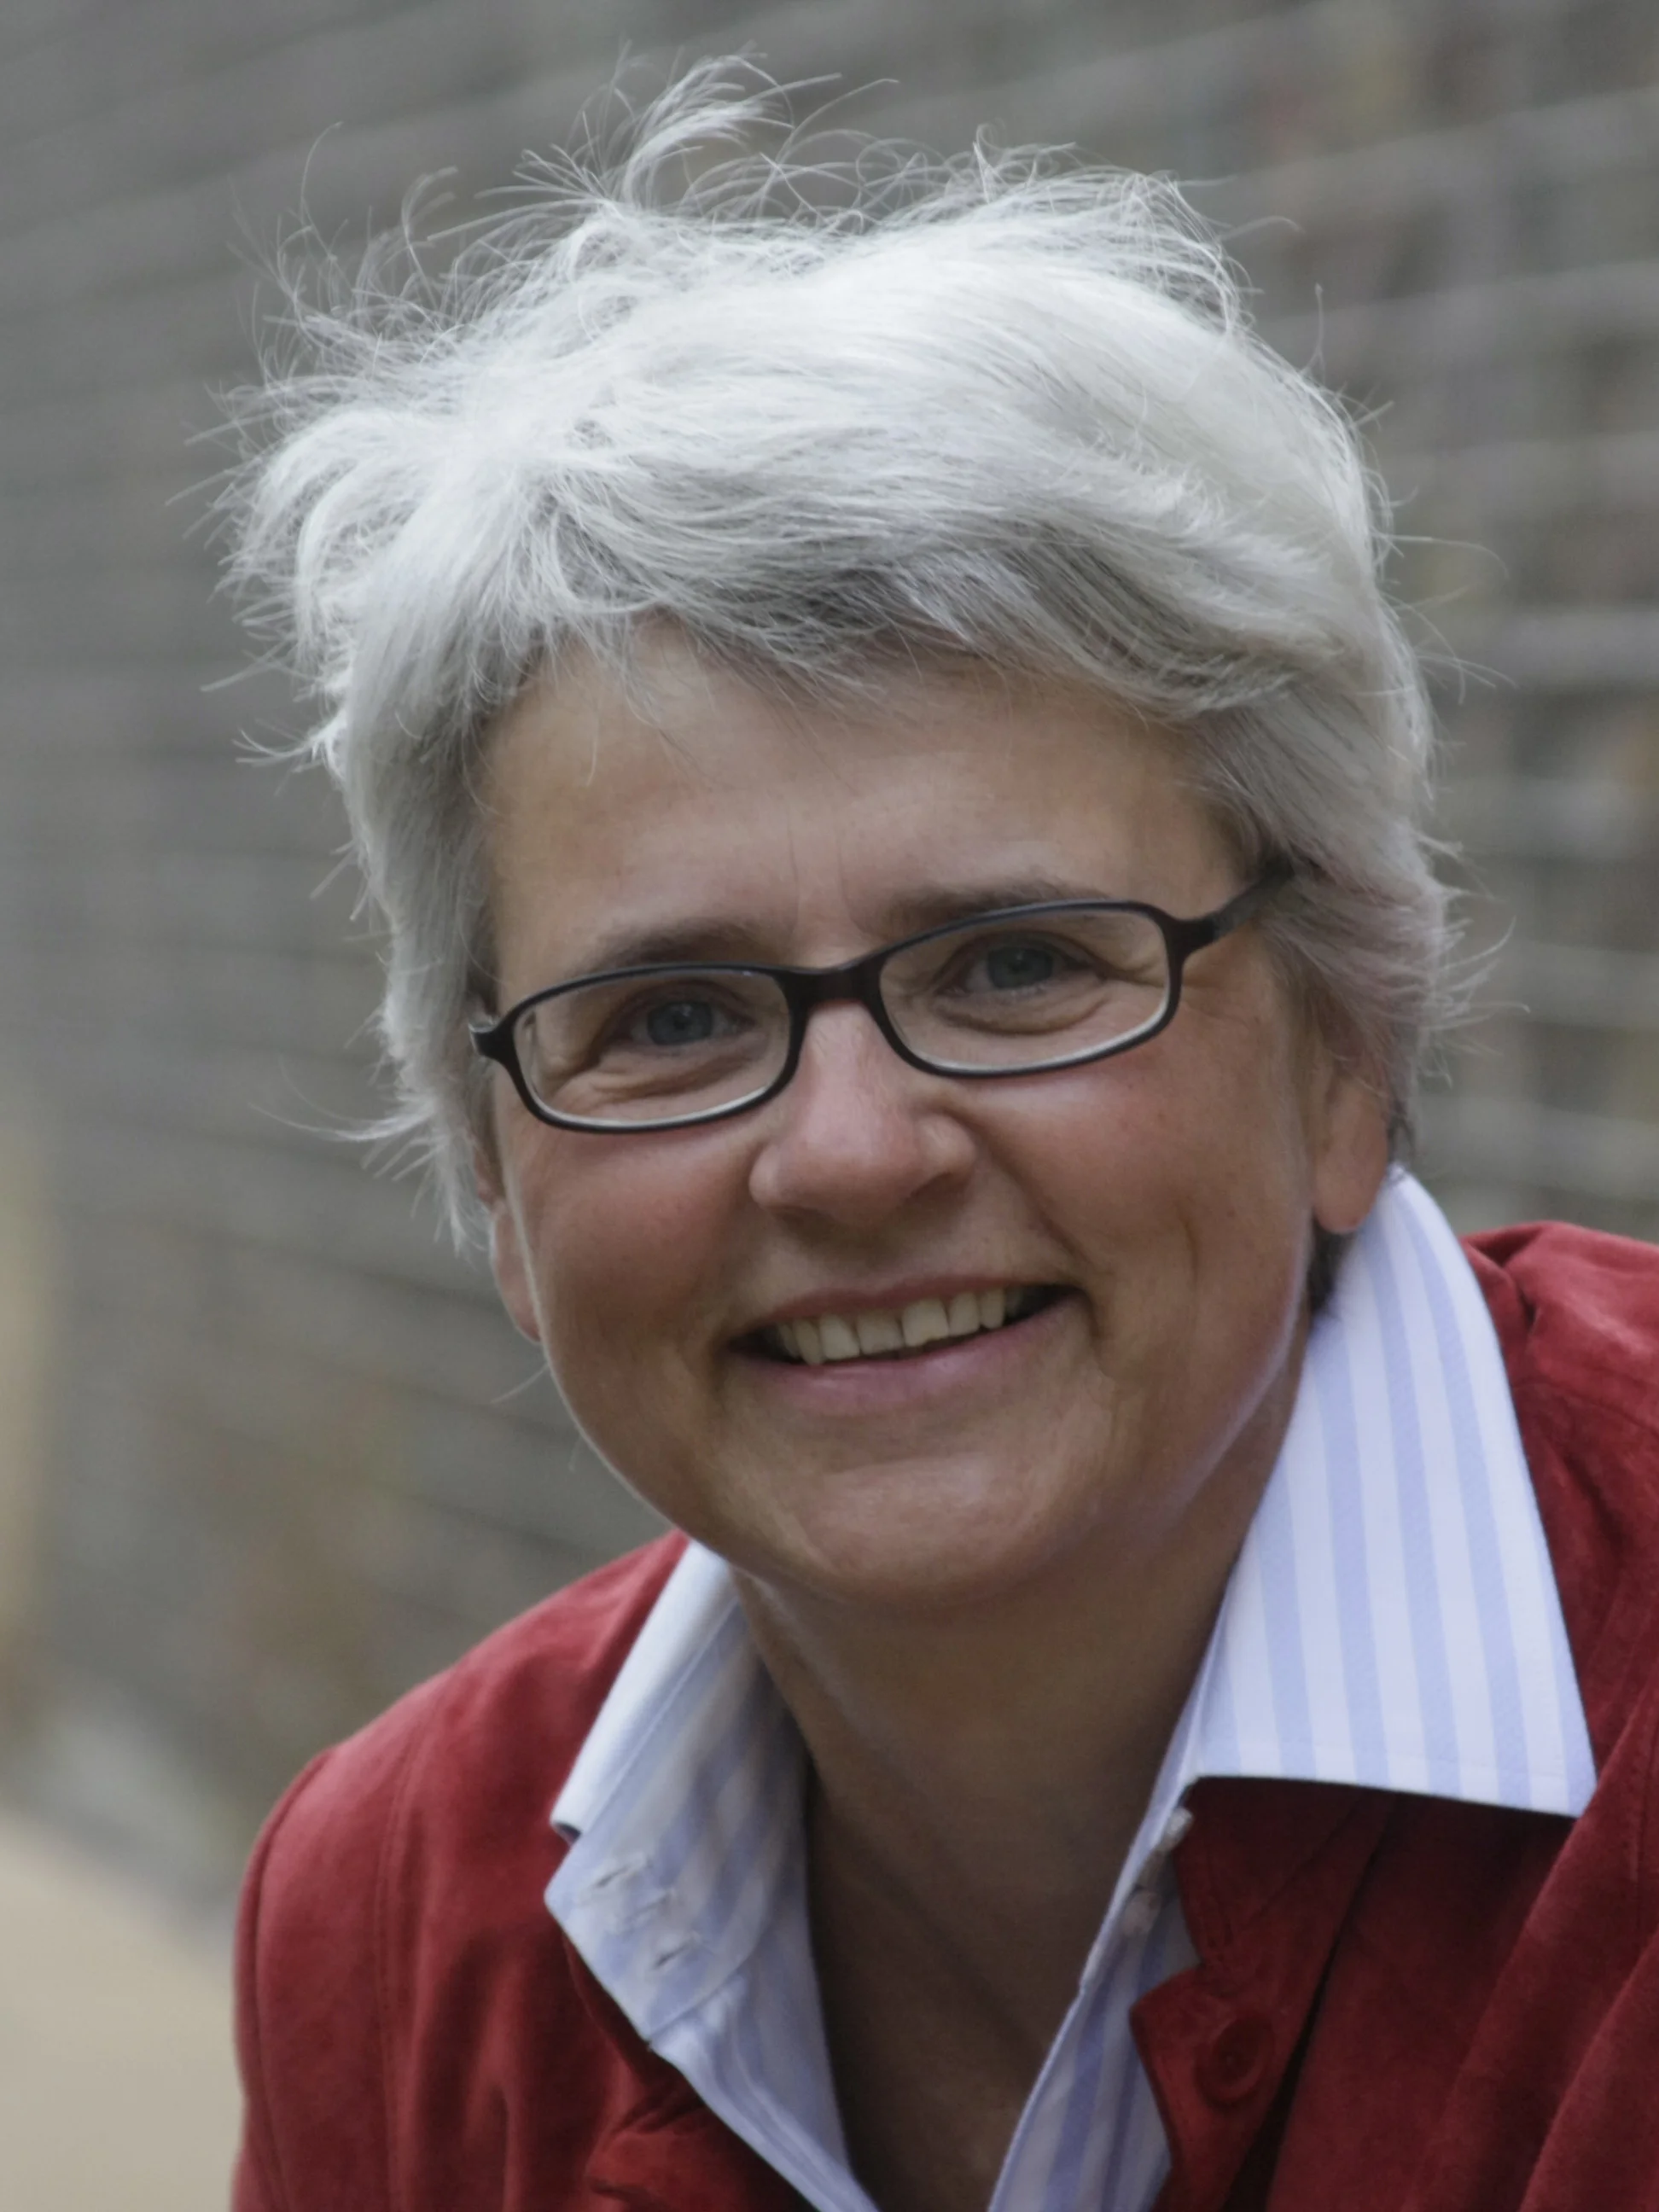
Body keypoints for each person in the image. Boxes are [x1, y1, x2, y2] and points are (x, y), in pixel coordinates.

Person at [218, 63, 1659, 2212]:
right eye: (673, 1016)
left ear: (1344, 1056)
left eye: (1016, 966)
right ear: (499, 1179)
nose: (848, 1155)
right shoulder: (397, 1924)